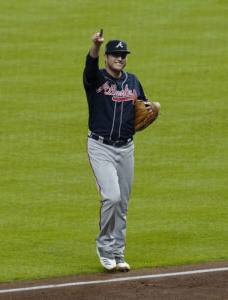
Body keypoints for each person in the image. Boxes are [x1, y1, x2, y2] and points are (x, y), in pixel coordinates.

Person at [83, 29, 158, 272]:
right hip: (100, 146)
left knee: (122, 203)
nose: (120, 58)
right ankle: (105, 248)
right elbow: (90, 64)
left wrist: (153, 107)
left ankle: (118, 252)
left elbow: (142, 107)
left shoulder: (133, 81)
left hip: (125, 148)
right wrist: (96, 45)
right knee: (111, 197)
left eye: (123, 55)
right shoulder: (96, 79)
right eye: (115, 54)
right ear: (106, 57)